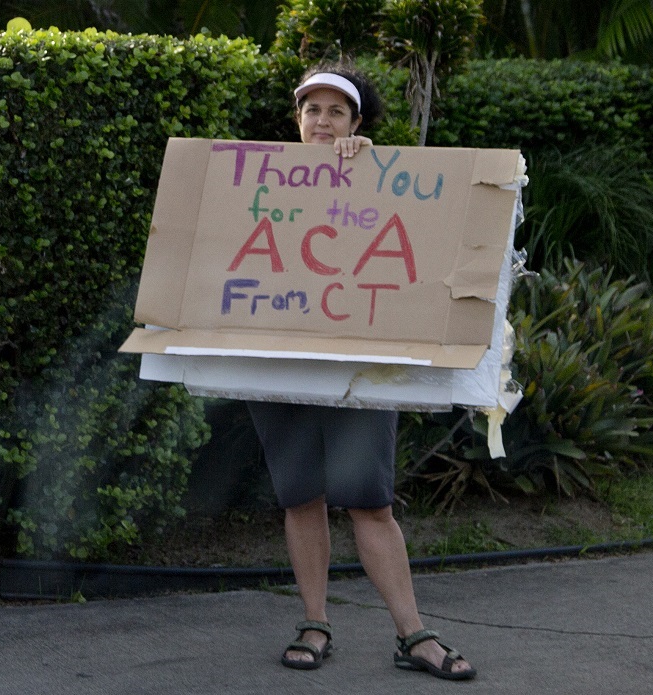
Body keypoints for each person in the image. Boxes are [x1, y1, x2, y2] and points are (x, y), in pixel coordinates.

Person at [245, 62, 477, 682]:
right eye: (312, 110)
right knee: (301, 496)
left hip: (357, 369)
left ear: (357, 122)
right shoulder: (259, 178)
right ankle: (315, 622)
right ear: (297, 119)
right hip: (283, 364)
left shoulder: (374, 171)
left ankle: (414, 634)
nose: (323, 122)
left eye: (337, 112)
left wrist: (367, 165)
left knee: (370, 503)